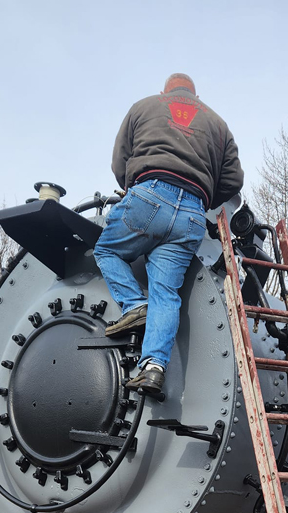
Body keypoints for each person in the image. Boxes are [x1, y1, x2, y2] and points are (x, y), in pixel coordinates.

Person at [94, 73, 244, 396]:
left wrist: (132, 186)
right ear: (196, 94)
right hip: (192, 213)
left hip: (149, 194)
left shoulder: (144, 106)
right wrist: (204, 198)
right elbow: (233, 180)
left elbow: (119, 161)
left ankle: (134, 305)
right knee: (166, 293)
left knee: (106, 250)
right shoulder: (218, 124)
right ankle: (153, 368)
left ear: (166, 91)